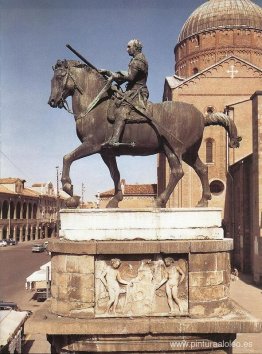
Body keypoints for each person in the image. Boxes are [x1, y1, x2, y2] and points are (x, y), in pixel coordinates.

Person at [101, 39, 149, 147]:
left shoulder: (138, 60)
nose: (126, 49)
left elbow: (130, 77)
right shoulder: (137, 59)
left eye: (129, 47)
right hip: (133, 91)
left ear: (135, 48)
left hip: (137, 93)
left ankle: (115, 139)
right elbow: (126, 76)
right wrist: (109, 73)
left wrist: (114, 75)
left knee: (122, 109)